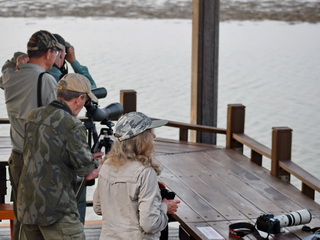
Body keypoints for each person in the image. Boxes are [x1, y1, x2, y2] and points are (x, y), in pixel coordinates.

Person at [17, 73, 103, 240]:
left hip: (27, 205)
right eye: (84, 100)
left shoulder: (34, 115)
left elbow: (49, 153)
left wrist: (85, 155)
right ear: (78, 99)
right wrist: (102, 163)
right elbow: (89, 173)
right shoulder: (72, 124)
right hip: (56, 209)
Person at [0, 29, 63, 240]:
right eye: (56, 51)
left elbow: (7, 65)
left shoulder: (11, 77)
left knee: (20, 212)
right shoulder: (46, 81)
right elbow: (57, 121)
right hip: (38, 159)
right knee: (40, 216)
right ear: (48, 53)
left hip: (17, 156)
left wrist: (17, 56)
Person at [93, 112, 180, 240]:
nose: (154, 136)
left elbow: (98, 207)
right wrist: (164, 207)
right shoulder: (144, 172)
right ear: (142, 139)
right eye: (150, 132)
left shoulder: (107, 166)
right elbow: (150, 224)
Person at [48, 33, 97, 224]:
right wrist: (74, 60)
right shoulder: (58, 78)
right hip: (64, 160)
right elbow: (90, 88)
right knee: (76, 204)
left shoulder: (36, 76)